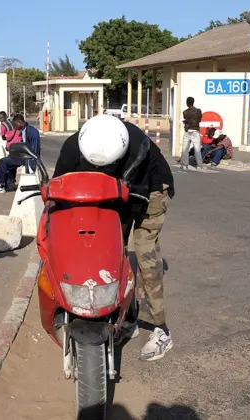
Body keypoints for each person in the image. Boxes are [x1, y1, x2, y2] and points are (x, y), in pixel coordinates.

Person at [53, 114, 175, 361]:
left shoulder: (138, 150)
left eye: (106, 168)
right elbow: (58, 191)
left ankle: (160, 329)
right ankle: (126, 318)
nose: (100, 171)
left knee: (143, 250)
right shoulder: (73, 146)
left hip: (148, 190)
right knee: (110, 250)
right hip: (111, 193)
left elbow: (136, 200)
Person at [0, 114, 41, 194]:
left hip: (27, 159)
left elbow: (35, 150)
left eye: (15, 125)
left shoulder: (32, 132)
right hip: (23, 156)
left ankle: (0, 187)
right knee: (9, 160)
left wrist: (31, 166)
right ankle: (10, 184)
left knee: (3, 162)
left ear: (20, 122)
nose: (15, 127)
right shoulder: (24, 130)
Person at [180, 97, 204, 171]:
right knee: (197, 149)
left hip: (188, 131)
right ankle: (199, 165)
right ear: (193, 102)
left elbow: (187, 120)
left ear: (187, 102)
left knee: (185, 149)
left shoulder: (185, 112)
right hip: (196, 131)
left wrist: (186, 122)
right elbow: (199, 120)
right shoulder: (198, 111)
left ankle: (184, 165)